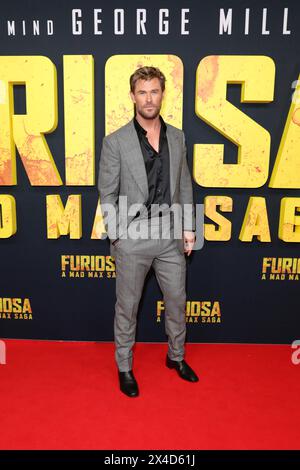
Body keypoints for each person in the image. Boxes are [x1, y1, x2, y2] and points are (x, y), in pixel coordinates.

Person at [98, 66, 199, 397]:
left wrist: (188, 228)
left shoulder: (179, 137)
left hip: (170, 232)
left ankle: (176, 357)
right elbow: (107, 193)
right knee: (127, 306)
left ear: (162, 94)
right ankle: (124, 367)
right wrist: (118, 236)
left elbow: (184, 184)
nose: (148, 98)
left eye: (154, 91)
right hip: (133, 234)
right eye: (142, 92)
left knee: (176, 300)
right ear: (132, 97)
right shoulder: (115, 142)